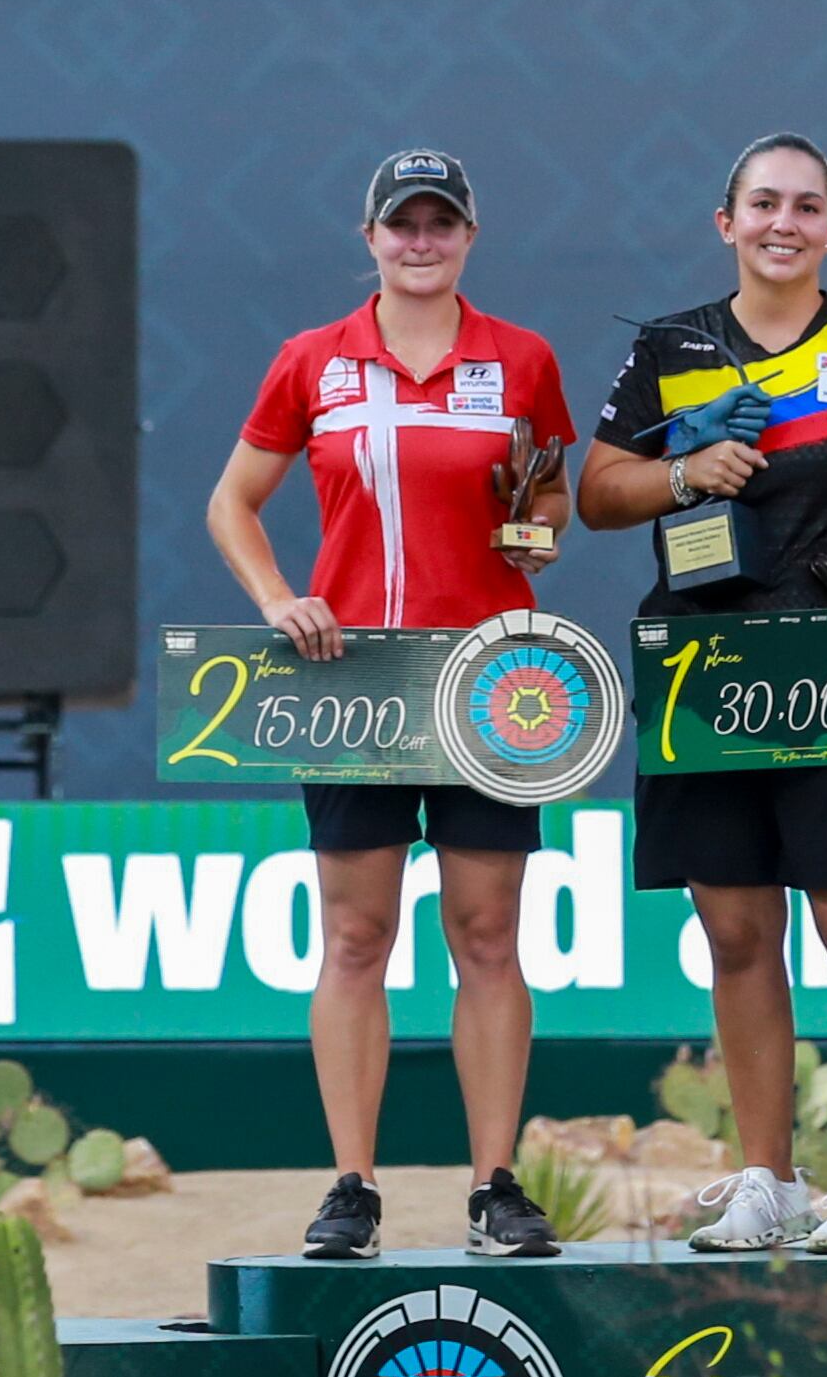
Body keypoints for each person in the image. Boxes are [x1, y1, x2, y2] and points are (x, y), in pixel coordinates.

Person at [577, 134, 827, 1254]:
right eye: (762, 204)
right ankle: (767, 1180)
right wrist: (685, 472)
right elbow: (596, 493)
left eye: (804, 206)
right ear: (726, 221)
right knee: (736, 928)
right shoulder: (667, 347)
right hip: (705, 669)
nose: (782, 223)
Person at [206, 149, 578, 1261]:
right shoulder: (312, 360)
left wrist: (538, 532)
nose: (421, 242)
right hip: (352, 679)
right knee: (356, 935)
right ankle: (352, 1188)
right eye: (402, 225)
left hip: (489, 678)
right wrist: (278, 599)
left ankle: (495, 1186)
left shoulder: (520, 357)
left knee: (488, 934)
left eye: (440, 223)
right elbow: (232, 502)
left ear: (470, 235)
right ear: (368, 237)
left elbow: (550, 491)